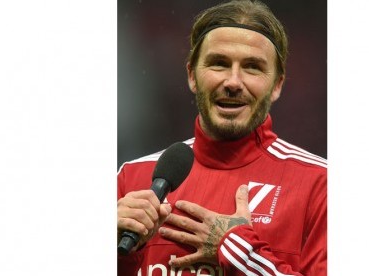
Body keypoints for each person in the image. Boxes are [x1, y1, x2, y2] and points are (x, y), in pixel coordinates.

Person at [117, 0, 327, 275]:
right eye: (219, 64)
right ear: (192, 75)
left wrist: (240, 252)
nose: (233, 82)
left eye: (252, 67)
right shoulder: (131, 177)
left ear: (277, 85)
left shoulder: (319, 185)